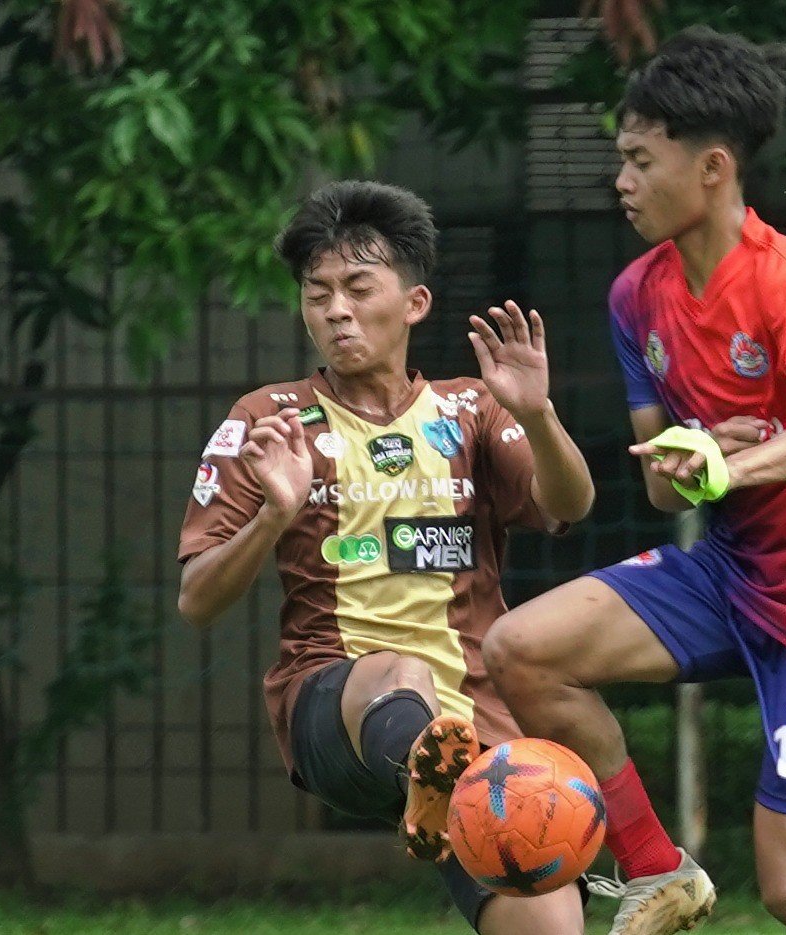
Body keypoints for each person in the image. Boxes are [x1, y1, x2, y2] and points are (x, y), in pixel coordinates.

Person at [483, 27, 786, 935]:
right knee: (522, 649)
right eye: (621, 159)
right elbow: (668, 491)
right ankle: (656, 867)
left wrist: (728, 459)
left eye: (641, 159)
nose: (622, 181)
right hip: (727, 575)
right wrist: (697, 456)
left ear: (712, 167)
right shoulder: (636, 294)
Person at [177, 180, 594, 934]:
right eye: (317, 293)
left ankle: (443, 792)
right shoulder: (268, 420)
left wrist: (538, 413)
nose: (335, 309)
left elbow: (570, 503)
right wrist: (275, 512)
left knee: (553, 924)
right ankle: (439, 782)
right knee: (402, 675)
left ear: (415, 302)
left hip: (474, 721)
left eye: (357, 287)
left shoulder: (472, 408)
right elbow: (197, 599)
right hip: (333, 709)